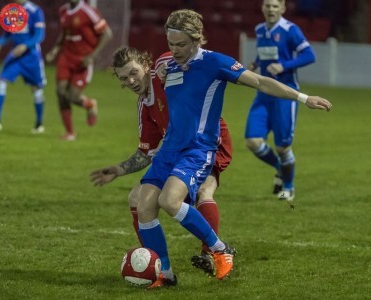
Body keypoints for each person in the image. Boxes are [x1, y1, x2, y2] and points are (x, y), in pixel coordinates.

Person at [123, 9, 331, 288]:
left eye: (181, 44)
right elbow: (157, 85)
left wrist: (304, 98)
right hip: (170, 147)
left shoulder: (215, 63)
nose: (175, 50)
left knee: (170, 201)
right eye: (171, 44)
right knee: (145, 205)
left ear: (197, 40)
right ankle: (165, 274)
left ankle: (220, 249)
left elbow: (260, 81)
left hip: (197, 149)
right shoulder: (169, 66)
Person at [90, 46, 234, 263]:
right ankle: (154, 262)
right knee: (136, 198)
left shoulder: (163, 76)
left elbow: (173, 58)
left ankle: (213, 253)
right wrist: (119, 170)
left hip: (207, 140)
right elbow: (145, 152)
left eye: (133, 73)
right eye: (123, 78)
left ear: (146, 66)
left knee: (204, 191)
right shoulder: (145, 105)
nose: (130, 81)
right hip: (177, 150)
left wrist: (166, 65)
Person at [245, 0, 316, 203]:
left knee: (283, 147)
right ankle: (279, 168)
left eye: (275, 6)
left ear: (283, 9)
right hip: (264, 95)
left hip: (285, 96)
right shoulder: (260, 29)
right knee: (253, 141)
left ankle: (288, 187)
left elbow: (309, 55)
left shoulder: (290, 30)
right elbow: (264, 53)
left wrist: (284, 66)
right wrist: (255, 63)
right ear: (262, 8)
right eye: (268, 5)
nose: (271, 9)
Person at [45, 0, 113, 141]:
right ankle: (70, 133)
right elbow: (64, 33)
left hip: (83, 59)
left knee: (72, 96)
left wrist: (92, 56)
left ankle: (90, 104)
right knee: (60, 92)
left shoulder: (88, 11)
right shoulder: (63, 10)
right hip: (66, 56)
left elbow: (107, 34)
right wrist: (55, 50)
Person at [0, 0, 46, 133]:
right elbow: (8, 33)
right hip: (15, 55)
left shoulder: (35, 11)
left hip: (32, 56)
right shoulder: (13, 10)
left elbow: (39, 35)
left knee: (36, 88)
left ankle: (39, 123)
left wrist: (25, 45)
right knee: (2, 80)